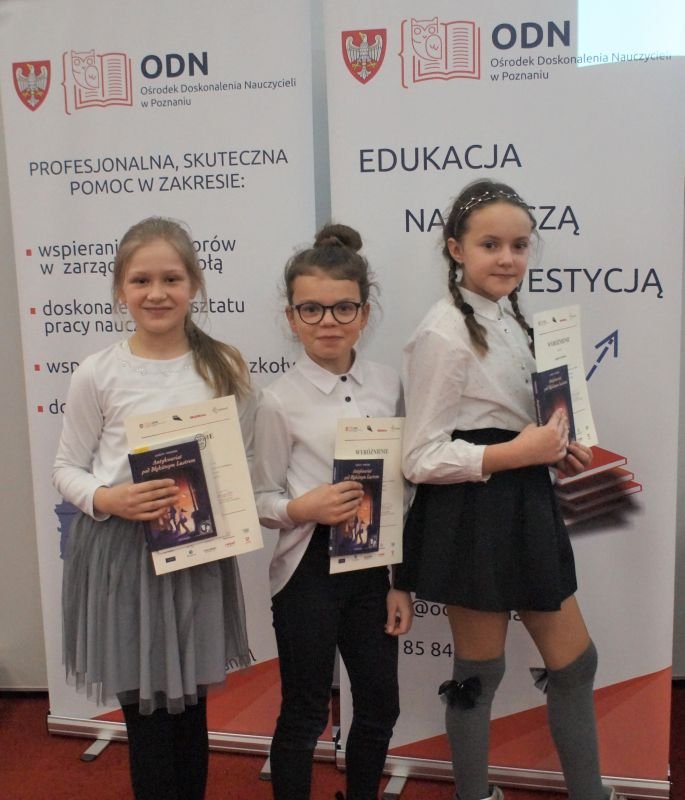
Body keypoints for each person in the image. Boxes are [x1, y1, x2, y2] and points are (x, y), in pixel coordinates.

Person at [397, 180, 617, 800]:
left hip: (525, 502)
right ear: (455, 249)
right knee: (478, 672)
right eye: (489, 244)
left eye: (519, 245)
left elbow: (522, 421)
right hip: (470, 513)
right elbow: (418, 457)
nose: (507, 258)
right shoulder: (442, 332)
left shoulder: (515, 319)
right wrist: (516, 453)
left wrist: (556, 450)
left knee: (576, 662)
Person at [53, 216, 253, 800]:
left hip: (195, 552)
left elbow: (238, 463)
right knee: (144, 714)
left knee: (190, 711)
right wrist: (107, 498)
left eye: (171, 278)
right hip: (122, 556)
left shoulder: (224, 365)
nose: (157, 293)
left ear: (195, 285)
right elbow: (66, 468)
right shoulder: (98, 372)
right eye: (141, 280)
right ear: (121, 289)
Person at [252, 224, 413, 800]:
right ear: (291, 317)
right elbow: (259, 497)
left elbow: (401, 491)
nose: (328, 321)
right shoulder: (277, 400)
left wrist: (400, 581)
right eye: (311, 309)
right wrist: (303, 506)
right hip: (308, 573)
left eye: (344, 307)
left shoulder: (388, 385)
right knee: (304, 711)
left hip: (373, 568)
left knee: (381, 705)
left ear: (364, 313)